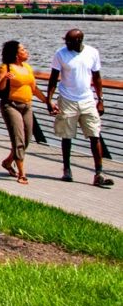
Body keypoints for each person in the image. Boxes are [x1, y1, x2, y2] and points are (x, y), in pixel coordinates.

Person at [46, 29, 114, 188]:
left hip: (87, 100)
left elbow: (97, 77)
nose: (66, 44)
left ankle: (99, 172)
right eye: (66, 41)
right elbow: (53, 78)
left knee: (95, 134)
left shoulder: (92, 52)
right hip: (67, 99)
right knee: (66, 136)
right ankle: (67, 169)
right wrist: (49, 100)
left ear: (79, 40)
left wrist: (100, 99)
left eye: (69, 41)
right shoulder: (60, 54)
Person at [0, 40, 48, 185]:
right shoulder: (6, 68)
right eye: (23, 50)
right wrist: (5, 79)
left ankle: (8, 162)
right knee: (18, 139)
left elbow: (34, 89)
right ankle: (22, 173)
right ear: (16, 54)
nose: (26, 51)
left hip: (27, 106)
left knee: (27, 139)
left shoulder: (27, 68)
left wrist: (48, 102)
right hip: (10, 105)